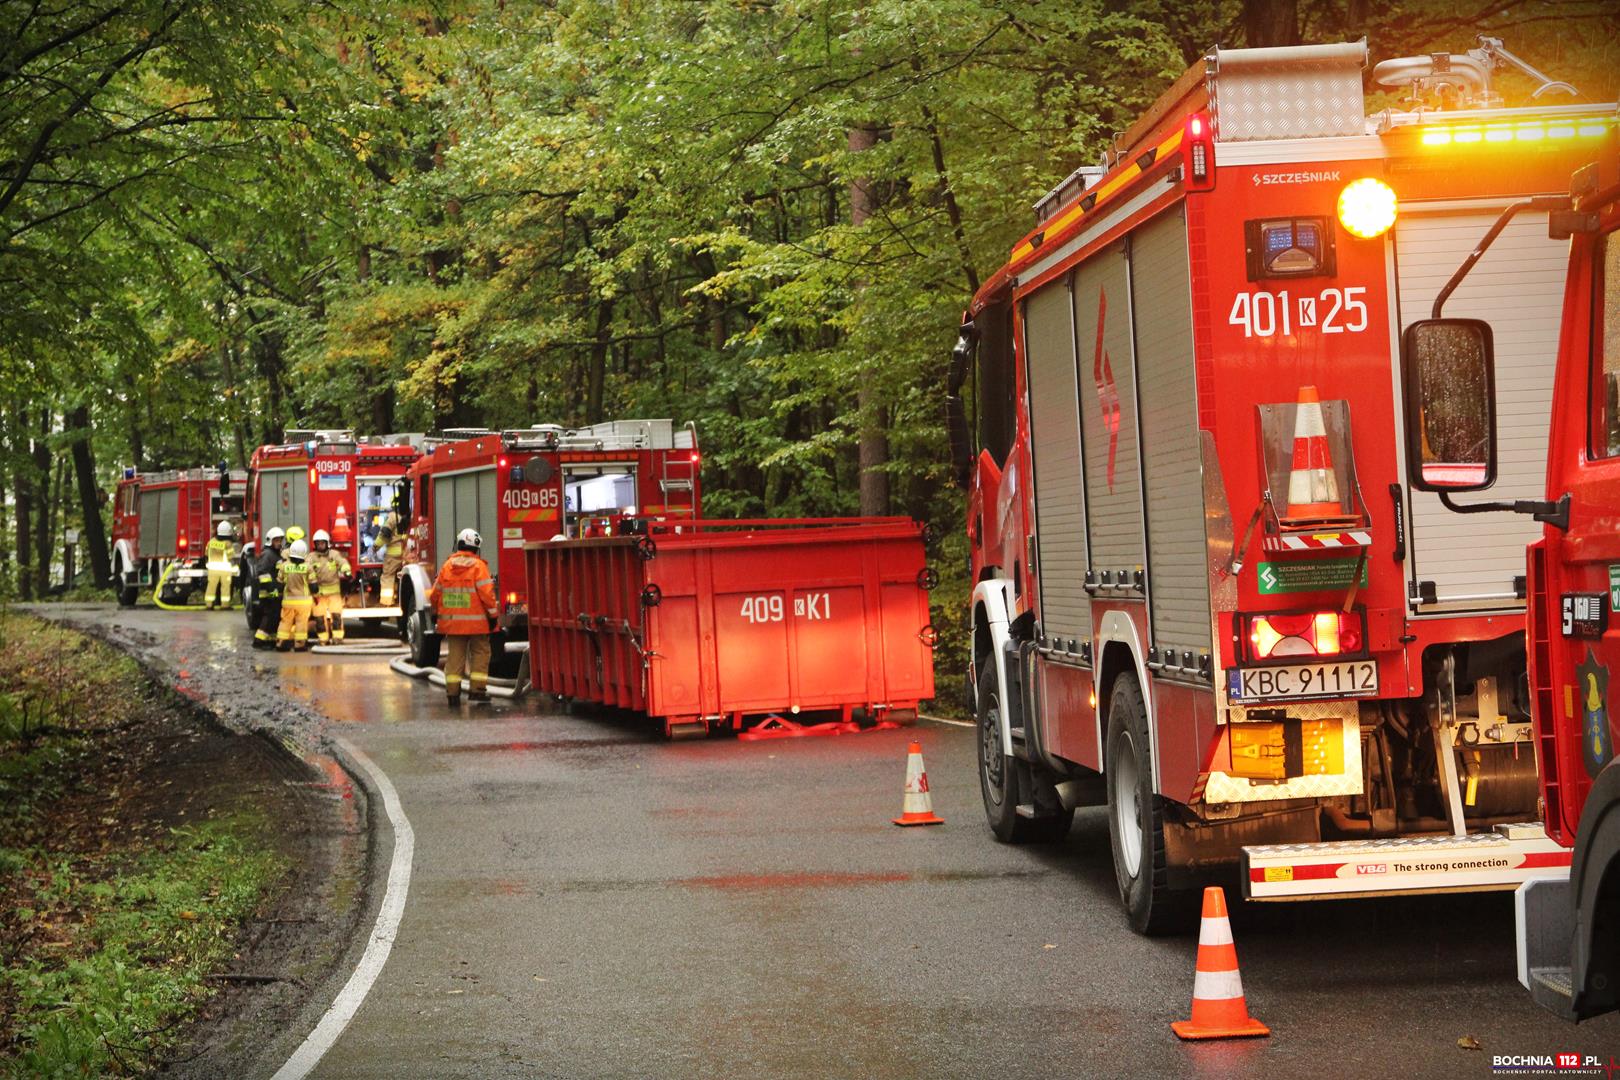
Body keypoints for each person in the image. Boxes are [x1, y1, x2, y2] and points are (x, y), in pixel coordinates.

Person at [427, 528, 498, 706]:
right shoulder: (479, 567)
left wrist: (435, 613)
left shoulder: (447, 567)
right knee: (480, 653)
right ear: (476, 548)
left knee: (455, 657)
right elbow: (487, 596)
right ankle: (477, 691)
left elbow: (435, 594)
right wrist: (493, 616)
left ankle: (452, 694)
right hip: (478, 625)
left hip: (453, 624)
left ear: (459, 544)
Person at [308, 529, 352, 645]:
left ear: (327, 543)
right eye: (318, 543)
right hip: (318, 594)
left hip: (334, 592)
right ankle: (323, 639)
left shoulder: (334, 554)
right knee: (319, 618)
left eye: (322, 543)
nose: (320, 545)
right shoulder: (311, 557)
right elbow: (307, 569)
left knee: (336, 616)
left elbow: (343, 562)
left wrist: (346, 571)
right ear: (315, 544)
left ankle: (337, 638)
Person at [276, 539, 314, 651]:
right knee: (301, 623)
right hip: (304, 602)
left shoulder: (284, 566)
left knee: (285, 622)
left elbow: (279, 584)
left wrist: (276, 595)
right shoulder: (308, 567)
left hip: (288, 601)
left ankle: (280, 643)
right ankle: (300, 645)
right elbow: (314, 586)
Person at [251, 528, 286, 650]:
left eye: (280, 540)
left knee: (275, 617)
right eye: (276, 540)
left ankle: (270, 640)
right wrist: (272, 589)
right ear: (270, 541)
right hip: (268, 593)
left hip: (274, 592)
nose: (279, 543)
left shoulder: (275, 554)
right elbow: (263, 573)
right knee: (269, 617)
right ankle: (258, 640)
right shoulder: (268, 554)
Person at [204, 521, 236, 610]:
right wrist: (235, 569)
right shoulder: (228, 544)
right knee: (225, 587)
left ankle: (209, 605)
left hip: (212, 570)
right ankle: (225, 605)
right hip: (225, 570)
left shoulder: (211, 542)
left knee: (211, 587)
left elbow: (206, 554)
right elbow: (231, 558)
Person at [378, 524, 405, 606]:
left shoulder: (392, 518)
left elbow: (383, 536)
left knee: (388, 576)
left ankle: (387, 601)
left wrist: (374, 547)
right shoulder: (406, 518)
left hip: (392, 556)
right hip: (405, 554)